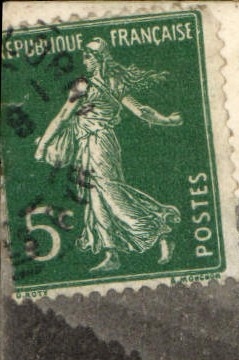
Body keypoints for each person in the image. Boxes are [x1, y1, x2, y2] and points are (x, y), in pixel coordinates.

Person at [33, 38, 183, 273]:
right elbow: (64, 116)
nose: (85, 61)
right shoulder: (93, 85)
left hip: (101, 143)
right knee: (96, 199)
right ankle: (111, 254)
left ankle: (161, 230)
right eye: (85, 57)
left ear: (99, 59)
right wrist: (44, 144)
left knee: (112, 193)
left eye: (89, 57)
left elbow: (139, 110)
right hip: (86, 145)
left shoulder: (101, 84)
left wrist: (167, 120)